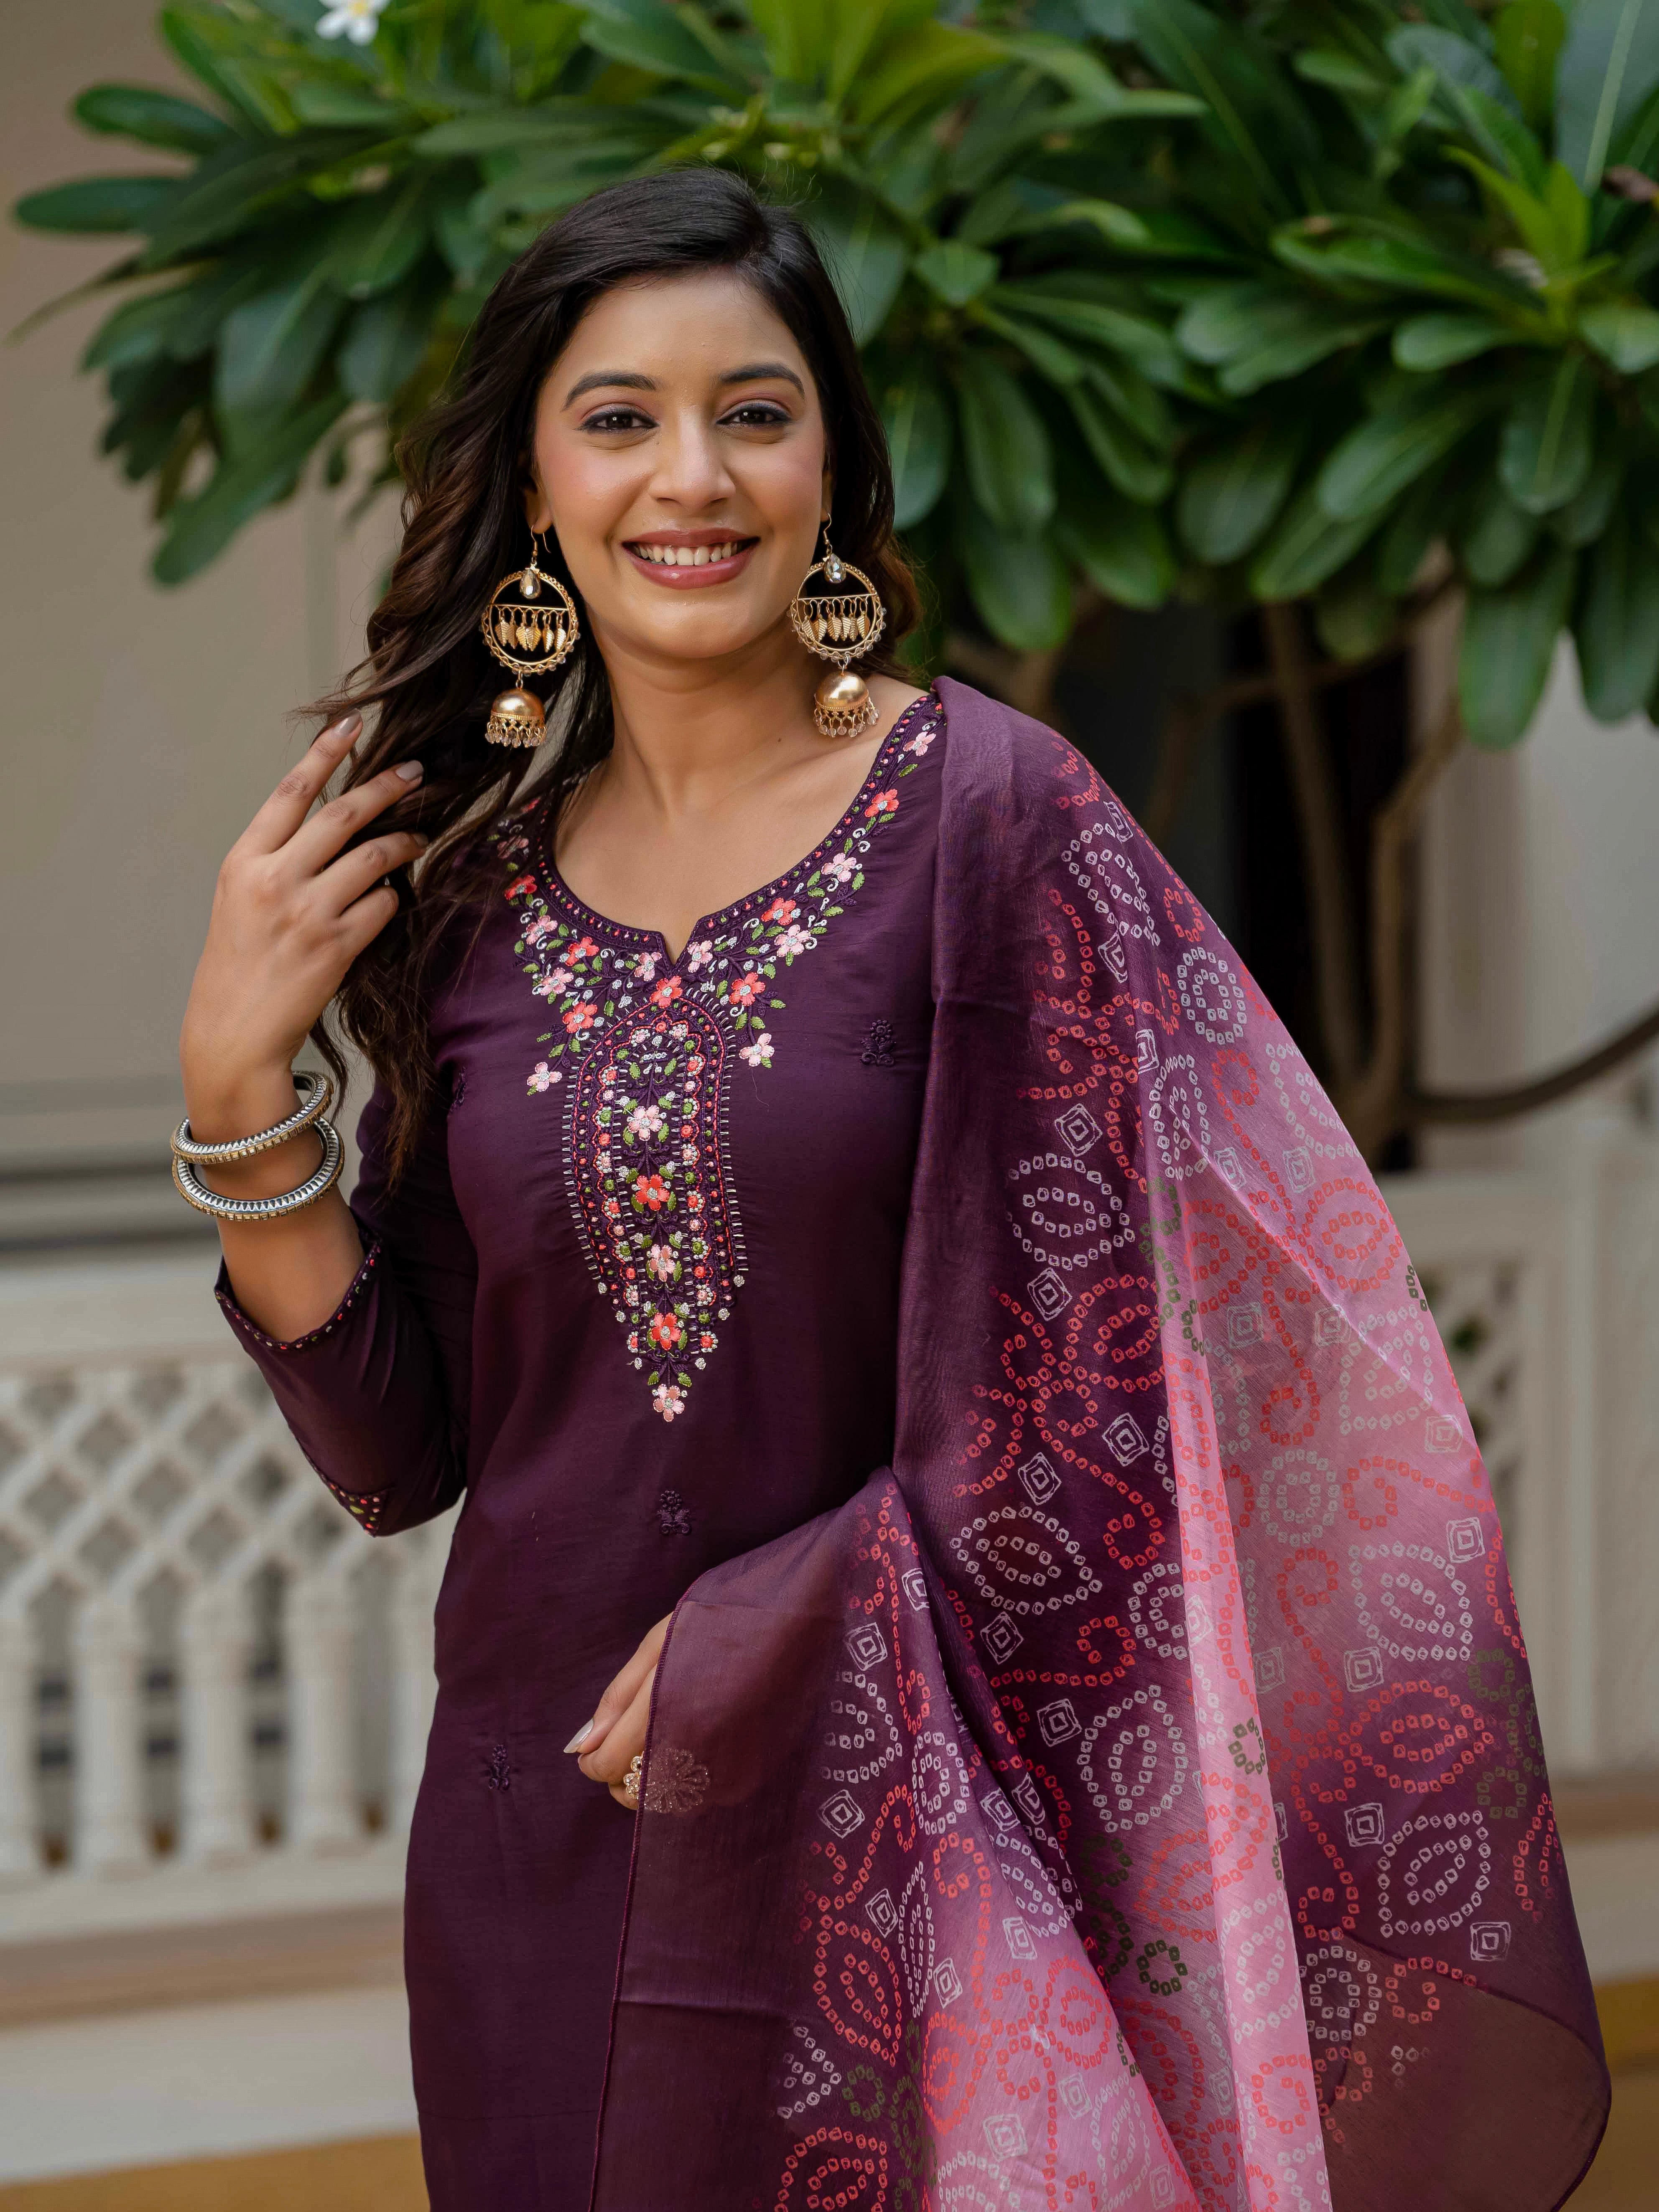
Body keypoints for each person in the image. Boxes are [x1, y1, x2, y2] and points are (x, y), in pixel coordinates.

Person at [176, 171, 1607, 2212]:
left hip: (932, 1848)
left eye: (755, 411)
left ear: (834, 461)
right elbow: (408, 1454)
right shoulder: (470, 905)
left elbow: (1152, 1382)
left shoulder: (992, 819)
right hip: (541, 1843)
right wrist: (239, 1087)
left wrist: (795, 1621)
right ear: (532, 486)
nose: (694, 474)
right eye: (619, 417)